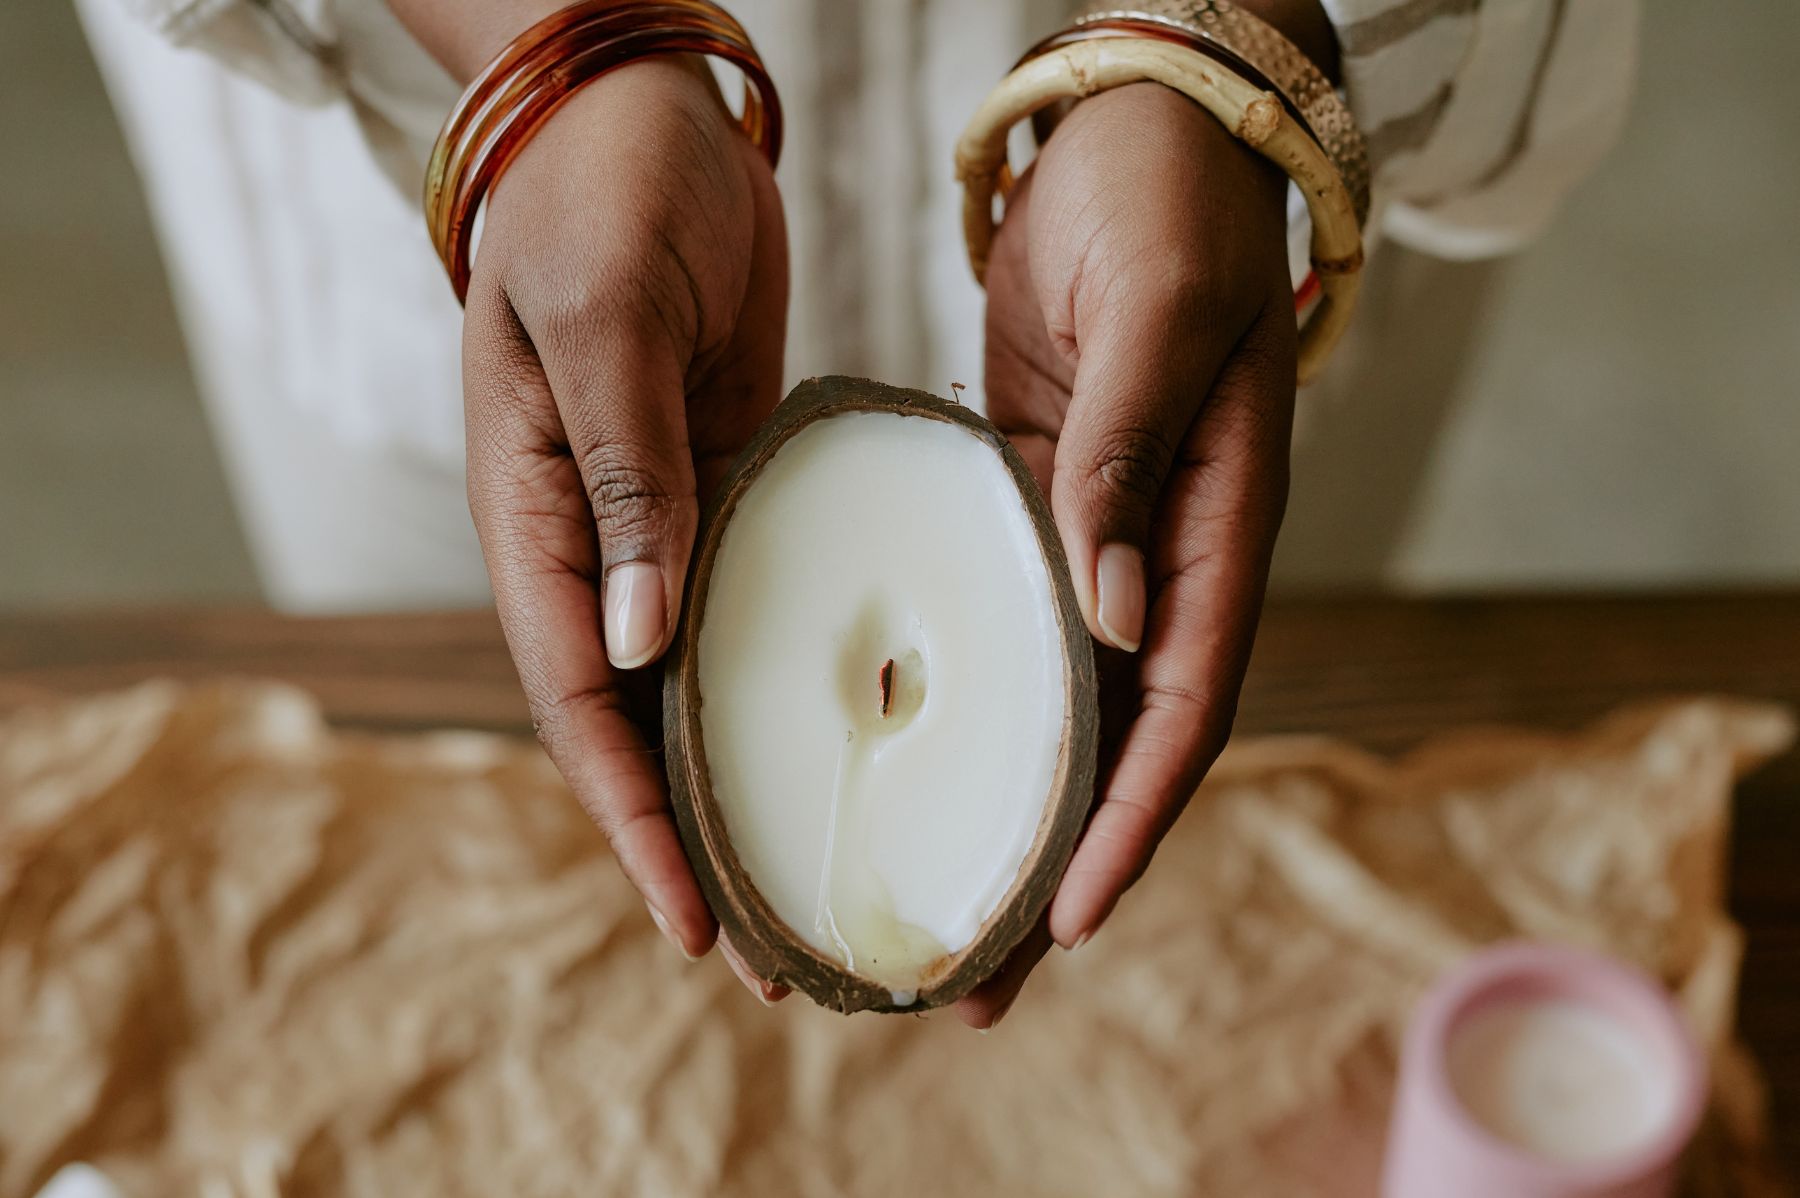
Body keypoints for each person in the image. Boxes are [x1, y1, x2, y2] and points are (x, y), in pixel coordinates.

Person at [78, 0, 1638, 1028]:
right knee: (465, 842)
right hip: (496, 212)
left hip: (1227, 226)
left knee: (1214, 739)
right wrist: (544, 42)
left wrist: (1238, 43)